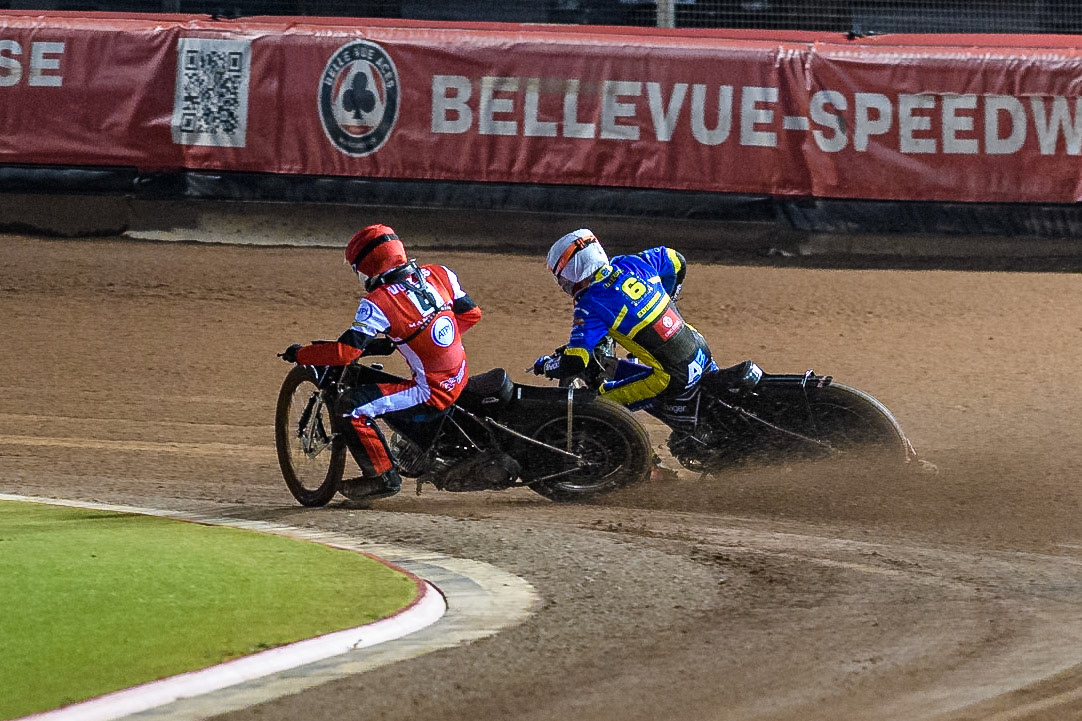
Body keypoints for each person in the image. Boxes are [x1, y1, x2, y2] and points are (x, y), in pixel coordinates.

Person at [281, 224, 482, 500]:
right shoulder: (440, 273)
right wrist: (430, 343)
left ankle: (382, 478)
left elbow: (346, 353)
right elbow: (471, 314)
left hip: (431, 391)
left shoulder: (378, 302)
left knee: (351, 407)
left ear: (368, 267)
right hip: (459, 374)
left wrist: (301, 354)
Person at [532, 228, 717, 419]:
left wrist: (546, 365)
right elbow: (676, 260)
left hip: (672, 378)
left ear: (571, 270)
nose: (562, 284)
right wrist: (668, 301)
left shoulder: (589, 304)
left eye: (560, 276)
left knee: (597, 406)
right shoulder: (631, 263)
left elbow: (575, 361)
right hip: (700, 348)